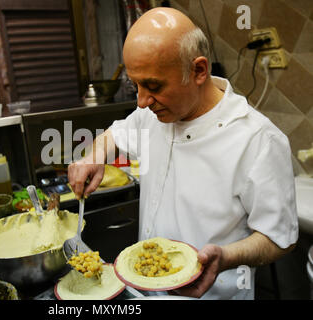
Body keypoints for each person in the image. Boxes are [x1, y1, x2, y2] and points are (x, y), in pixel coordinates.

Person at [67, 7, 298, 299]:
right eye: (135, 85)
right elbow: (118, 132)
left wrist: (225, 257)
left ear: (198, 70)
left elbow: (279, 238)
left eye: (153, 85)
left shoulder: (258, 140)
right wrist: (94, 154)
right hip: (143, 293)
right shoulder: (153, 113)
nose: (141, 101)